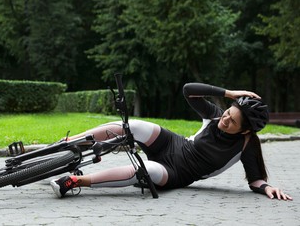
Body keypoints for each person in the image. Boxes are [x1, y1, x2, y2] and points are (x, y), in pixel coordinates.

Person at [50, 82, 293, 201]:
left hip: (174, 172)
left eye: (232, 122)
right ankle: (73, 142)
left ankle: (75, 181)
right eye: (228, 112)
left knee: (143, 170)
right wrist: (228, 94)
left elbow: (255, 179)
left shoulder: (246, 145)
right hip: (171, 144)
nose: (225, 119)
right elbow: (189, 90)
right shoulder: (215, 114)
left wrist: (266, 188)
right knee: (134, 125)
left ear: (244, 131)